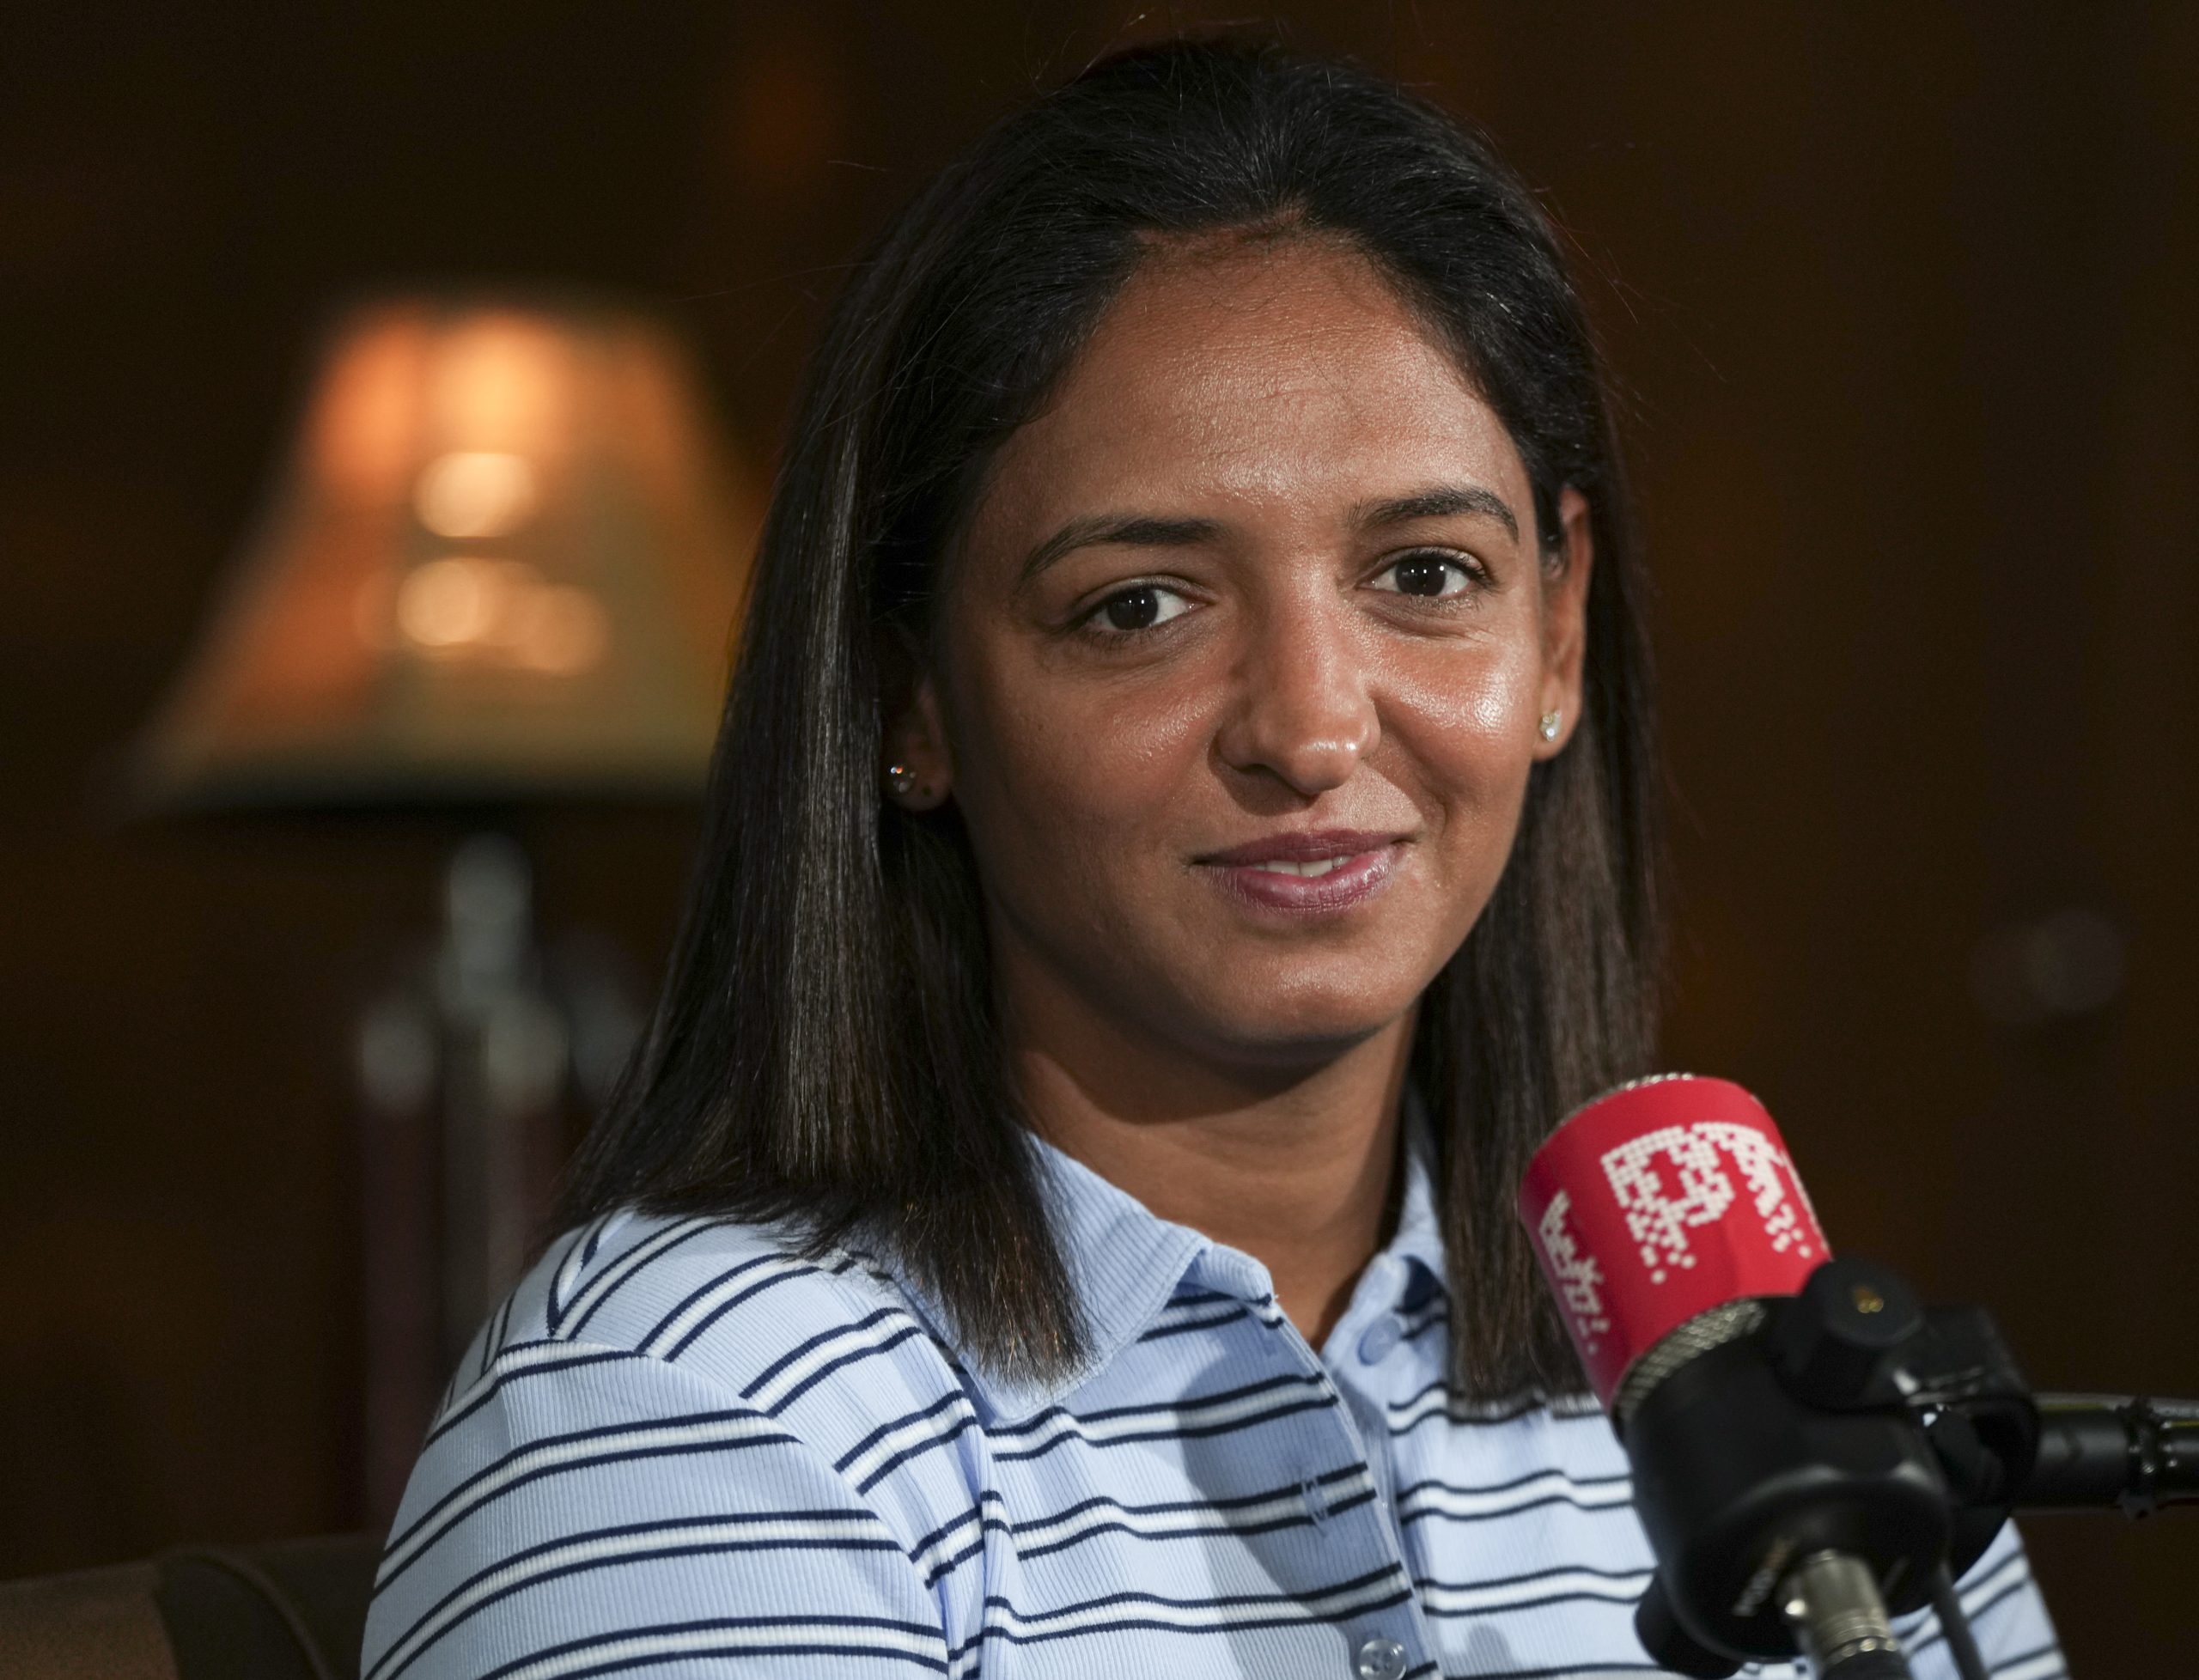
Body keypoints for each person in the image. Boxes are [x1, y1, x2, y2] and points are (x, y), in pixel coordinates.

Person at [362, 36, 2062, 1680]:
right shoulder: (702, 1413)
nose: (1309, 729)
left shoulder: (1785, 1411)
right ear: (909, 696)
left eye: (1424, 574)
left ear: (1556, 633)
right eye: (1139, 606)